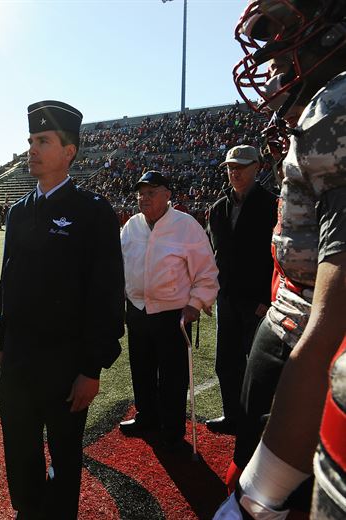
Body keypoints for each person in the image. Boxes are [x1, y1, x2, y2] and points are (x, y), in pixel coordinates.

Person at [214, 0, 346, 518]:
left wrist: (259, 498)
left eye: (281, 41)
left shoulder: (335, 108)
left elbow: (330, 330)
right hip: (288, 322)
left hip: (310, 353)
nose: (271, 64)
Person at [0, 100, 125, 519]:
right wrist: (3, 340)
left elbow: (107, 294)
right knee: (20, 453)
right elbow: (8, 285)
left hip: (66, 364)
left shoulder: (93, 212)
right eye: (31, 140)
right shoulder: (17, 213)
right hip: (18, 360)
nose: (32, 148)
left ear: (69, 151)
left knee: (65, 458)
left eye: (43, 141)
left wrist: (93, 367)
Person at [119, 170, 219, 448]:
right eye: (141, 193)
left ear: (167, 195)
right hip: (137, 310)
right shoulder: (132, 226)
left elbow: (207, 272)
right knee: (142, 369)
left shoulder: (186, 226)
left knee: (173, 377)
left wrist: (195, 304)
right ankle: (147, 417)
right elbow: (122, 266)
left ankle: (172, 429)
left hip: (173, 314)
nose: (143, 198)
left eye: (151, 192)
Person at [205, 145, 277, 434]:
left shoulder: (272, 205)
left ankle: (258, 424)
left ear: (258, 167)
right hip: (227, 299)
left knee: (260, 368)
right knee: (226, 363)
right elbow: (216, 254)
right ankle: (232, 416)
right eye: (231, 167)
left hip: (258, 302)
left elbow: (277, 257)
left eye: (242, 166)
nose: (235, 172)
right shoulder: (218, 208)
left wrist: (266, 298)